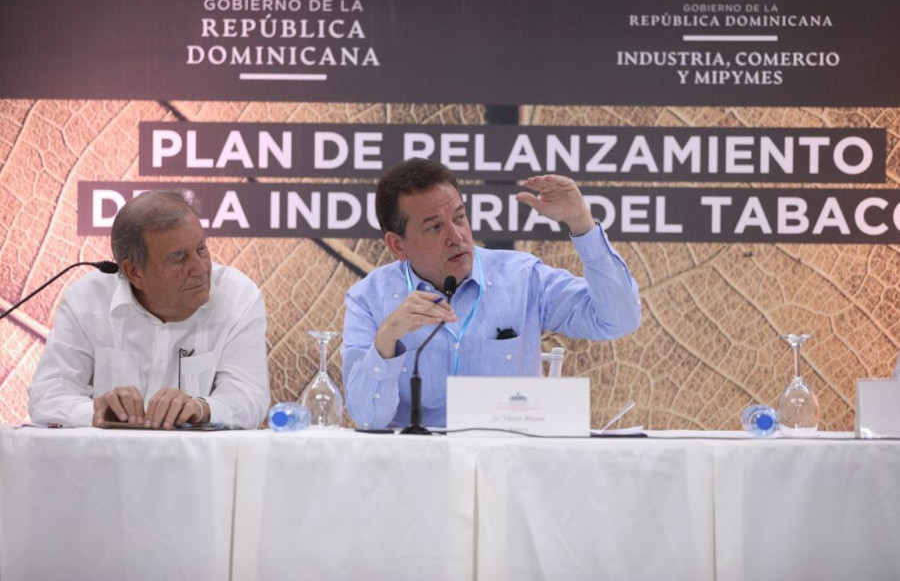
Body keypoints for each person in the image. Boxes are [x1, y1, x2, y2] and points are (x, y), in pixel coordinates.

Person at [342, 158, 641, 429]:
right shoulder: (368, 300)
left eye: (459, 218)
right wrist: (387, 338)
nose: (456, 237)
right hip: (417, 463)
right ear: (397, 245)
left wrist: (582, 224)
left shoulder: (522, 278)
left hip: (509, 459)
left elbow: (618, 320)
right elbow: (368, 418)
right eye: (434, 228)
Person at [28, 190, 270, 429]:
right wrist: (97, 412)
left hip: (197, 455)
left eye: (201, 249)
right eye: (178, 258)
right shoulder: (87, 300)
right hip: (107, 454)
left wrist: (201, 409)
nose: (200, 269)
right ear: (134, 272)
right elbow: (47, 395)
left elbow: (249, 398)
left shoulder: (238, 297)